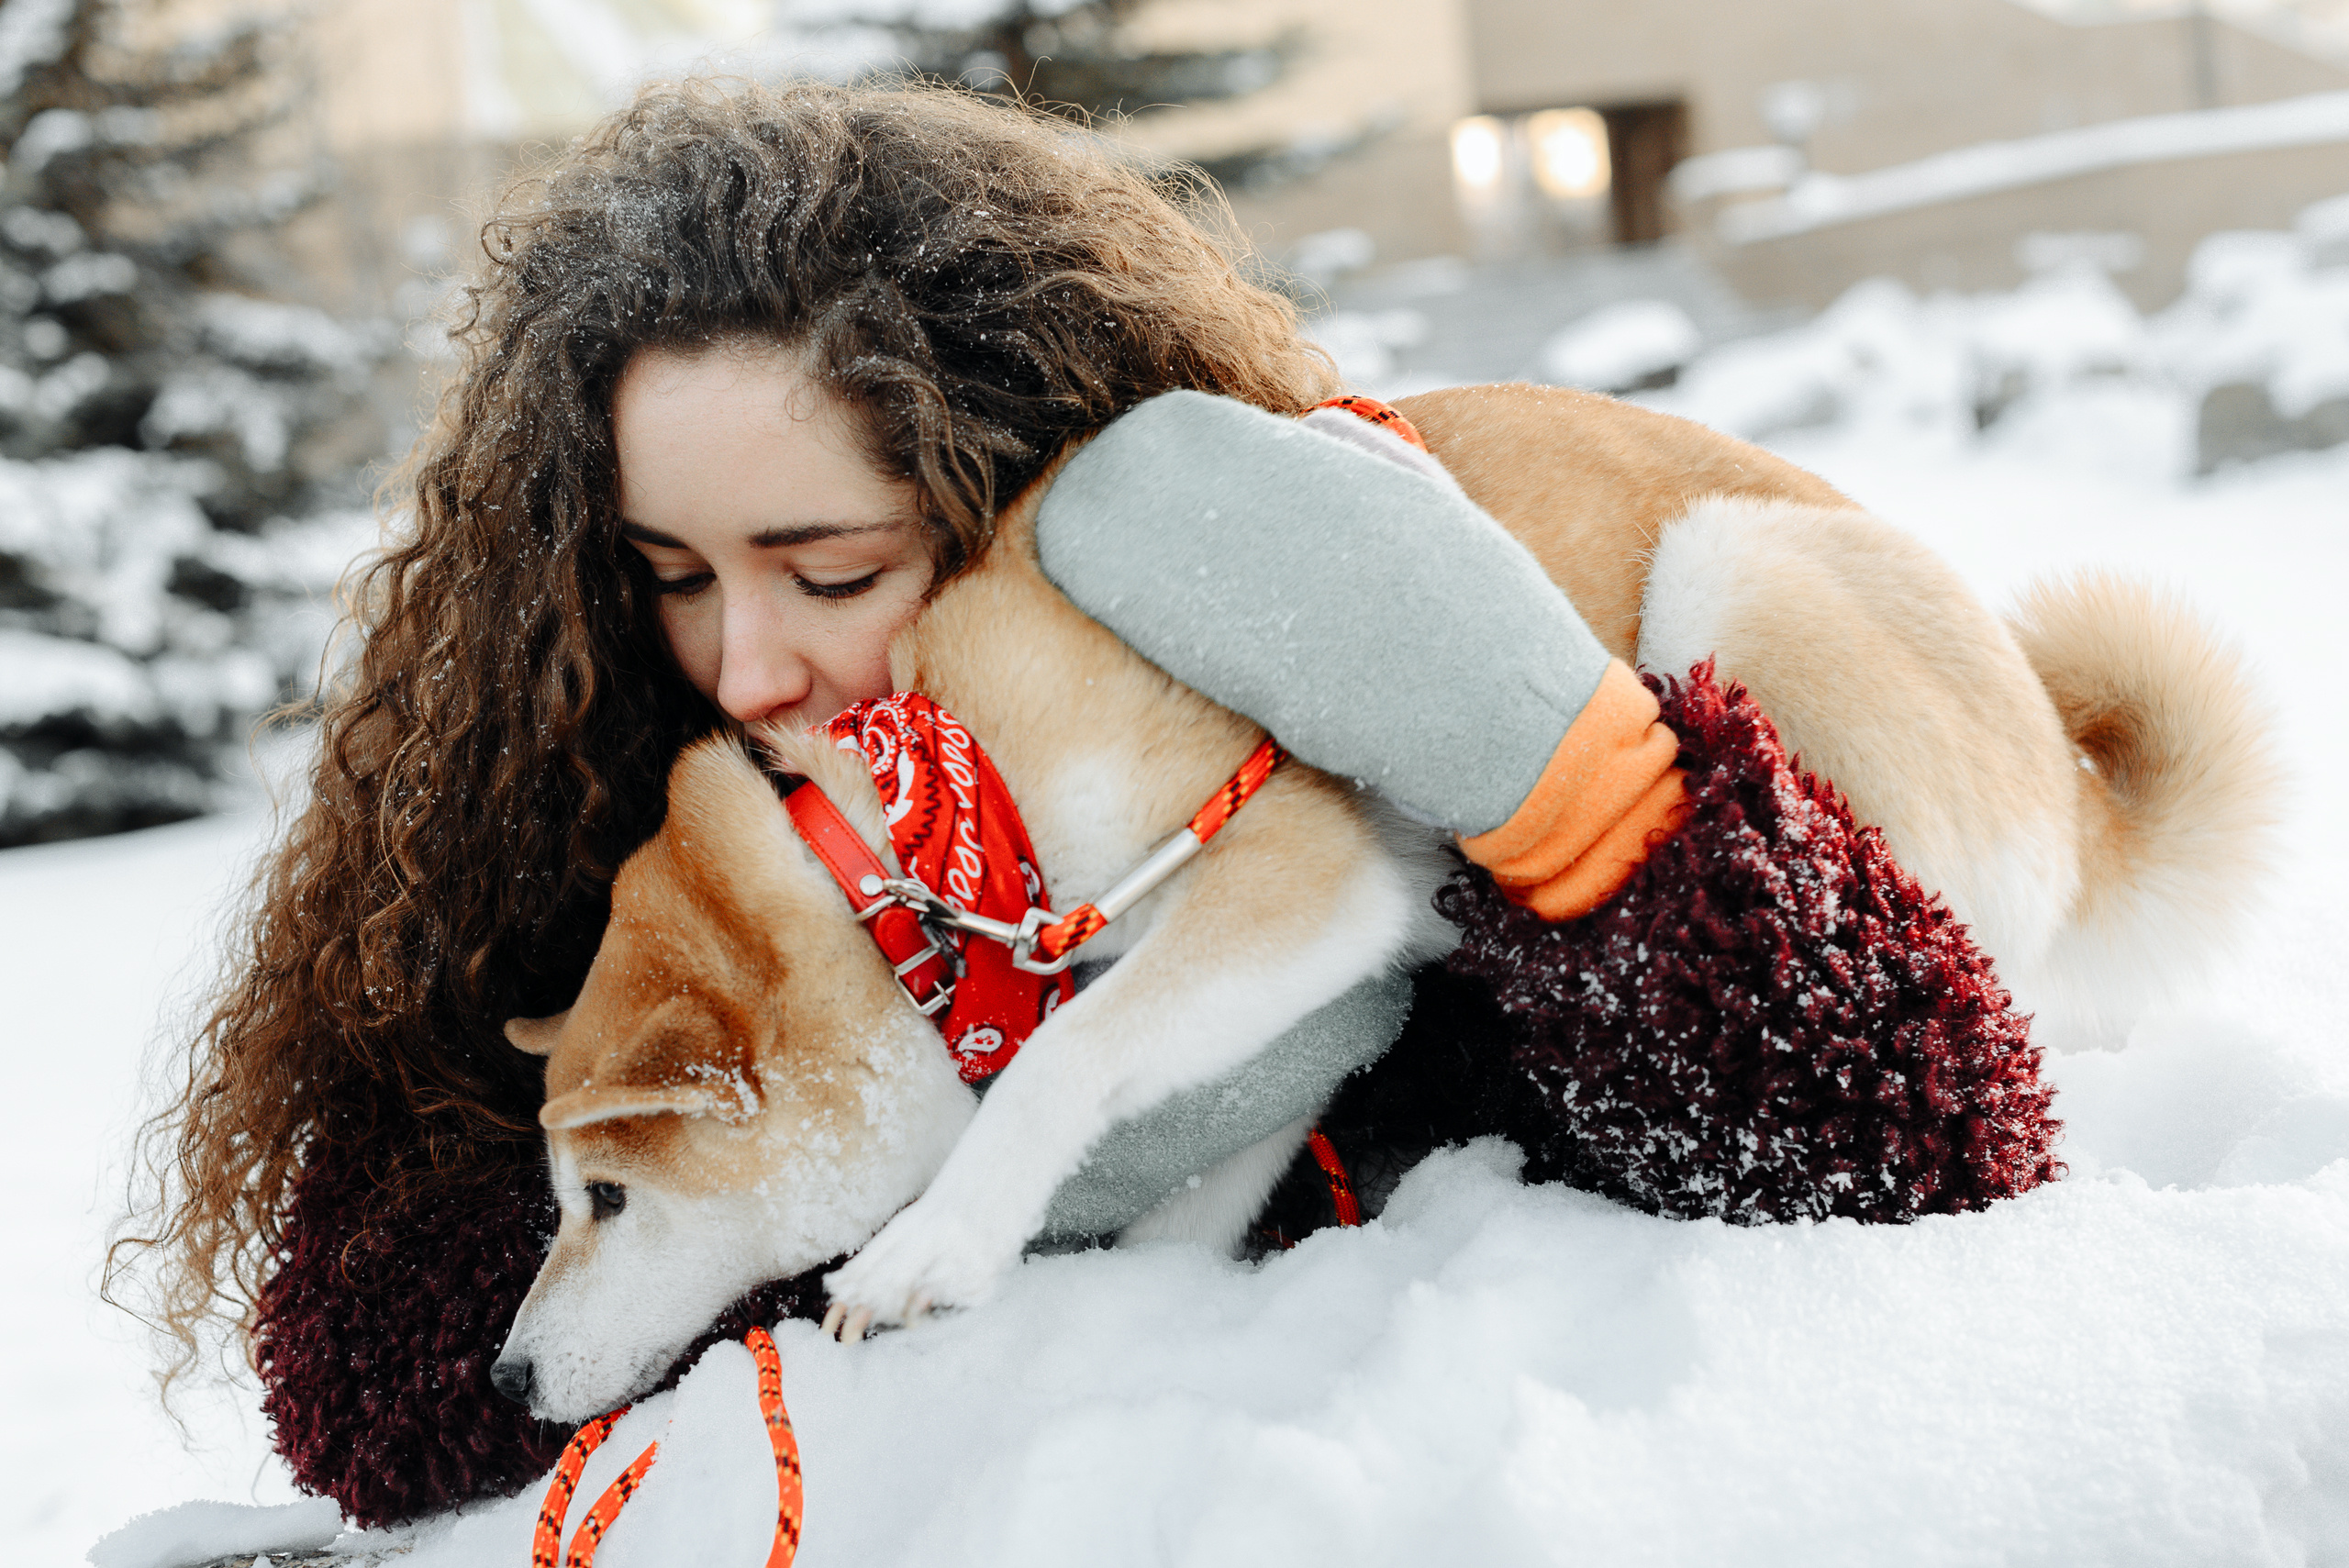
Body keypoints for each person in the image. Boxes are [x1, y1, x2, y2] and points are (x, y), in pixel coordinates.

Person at [113, 77, 2054, 1528]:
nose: (753, 668)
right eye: (671, 574)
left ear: (999, 499)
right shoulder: (606, 819)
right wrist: (851, 1146)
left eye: (835, 565)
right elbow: (383, 1389)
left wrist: (1577, 797)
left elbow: (1887, 1162)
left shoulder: (1204, 619)